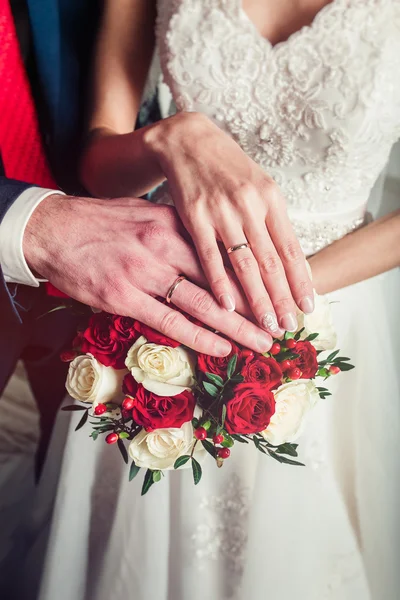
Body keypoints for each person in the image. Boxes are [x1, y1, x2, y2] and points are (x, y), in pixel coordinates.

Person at [27, 1, 400, 599]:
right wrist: (168, 139)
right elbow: (99, 169)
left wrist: (289, 292)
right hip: (176, 291)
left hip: (332, 298)